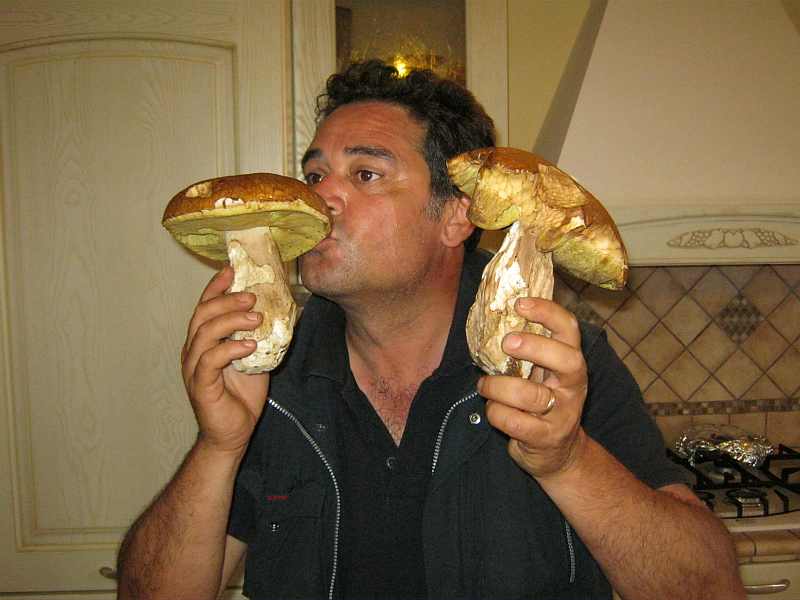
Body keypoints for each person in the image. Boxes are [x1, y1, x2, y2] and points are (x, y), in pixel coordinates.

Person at [117, 60, 744, 600]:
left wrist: (568, 459)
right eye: (314, 175)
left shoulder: (558, 363)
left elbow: (709, 589)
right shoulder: (273, 375)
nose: (319, 197)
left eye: (365, 174)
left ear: (455, 216)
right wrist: (218, 447)